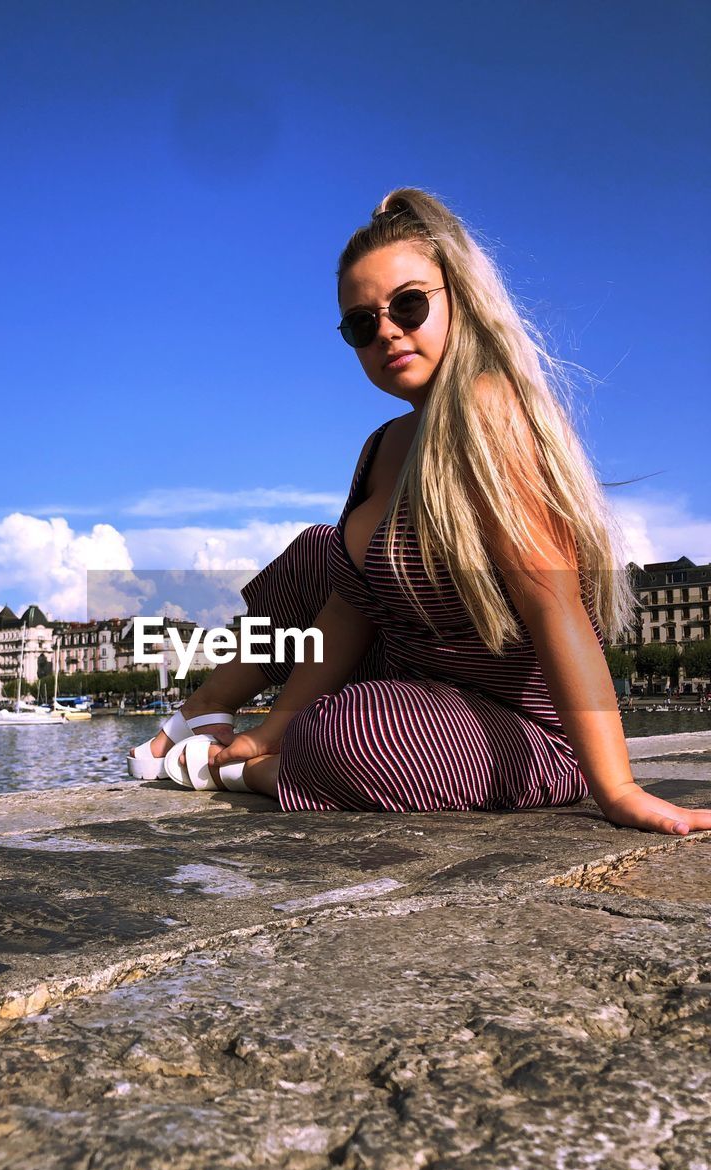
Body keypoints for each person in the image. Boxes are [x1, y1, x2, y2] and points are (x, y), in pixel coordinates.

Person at [128, 188, 711, 838]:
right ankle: (207, 714)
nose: (387, 332)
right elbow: (347, 613)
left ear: (458, 297)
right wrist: (271, 727)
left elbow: (555, 604)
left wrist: (618, 789)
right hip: (414, 675)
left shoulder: (492, 413)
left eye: (408, 304)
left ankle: (244, 772)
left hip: (520, 728)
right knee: (317, 552)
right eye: (361, 323)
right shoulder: (381, 445)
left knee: (352, 731)